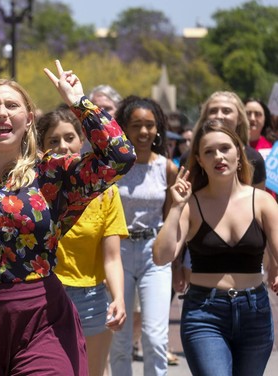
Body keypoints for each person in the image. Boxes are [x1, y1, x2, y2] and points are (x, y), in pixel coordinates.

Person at [0, 60, 136, 375]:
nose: (2, 112)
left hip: (42, 316)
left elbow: (120, 157)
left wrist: (79, 103)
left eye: (12, 105)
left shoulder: (53, 173)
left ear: (29, 119)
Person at [153, 118, 278, 376]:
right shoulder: (189, 205)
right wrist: (175, 207)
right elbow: (161, 256)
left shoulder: (262, 202)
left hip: (255, 311)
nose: (218, 156)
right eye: (209, 151)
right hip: (204, 313)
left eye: (225, 148)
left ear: (238, 152)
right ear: (199, 159)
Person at [36, 108, 127, 376]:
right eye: (53, 141)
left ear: (82, 140)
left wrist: (119, 297)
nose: (63, 146)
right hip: (44, 297)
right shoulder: (32, 191)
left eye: (69, 137)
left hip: (91, 301)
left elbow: (111, 257)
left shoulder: (107, 193)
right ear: (41, 148)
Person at [109, 95, 178, 376]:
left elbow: (172, 216)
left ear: (158, 128)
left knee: (155, 337)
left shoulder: (167, 168)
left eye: (150, 125)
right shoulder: (113, 168)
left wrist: (179, 260)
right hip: (118, 252)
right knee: (119, 337)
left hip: (154, 252)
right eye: (136, 125)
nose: (144, 132)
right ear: (124, 128)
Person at [180, 91, 266, 190]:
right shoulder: (189, 158)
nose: (219, 116)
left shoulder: (255, 159)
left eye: (226, 111)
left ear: (240, 119)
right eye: (213, 111)